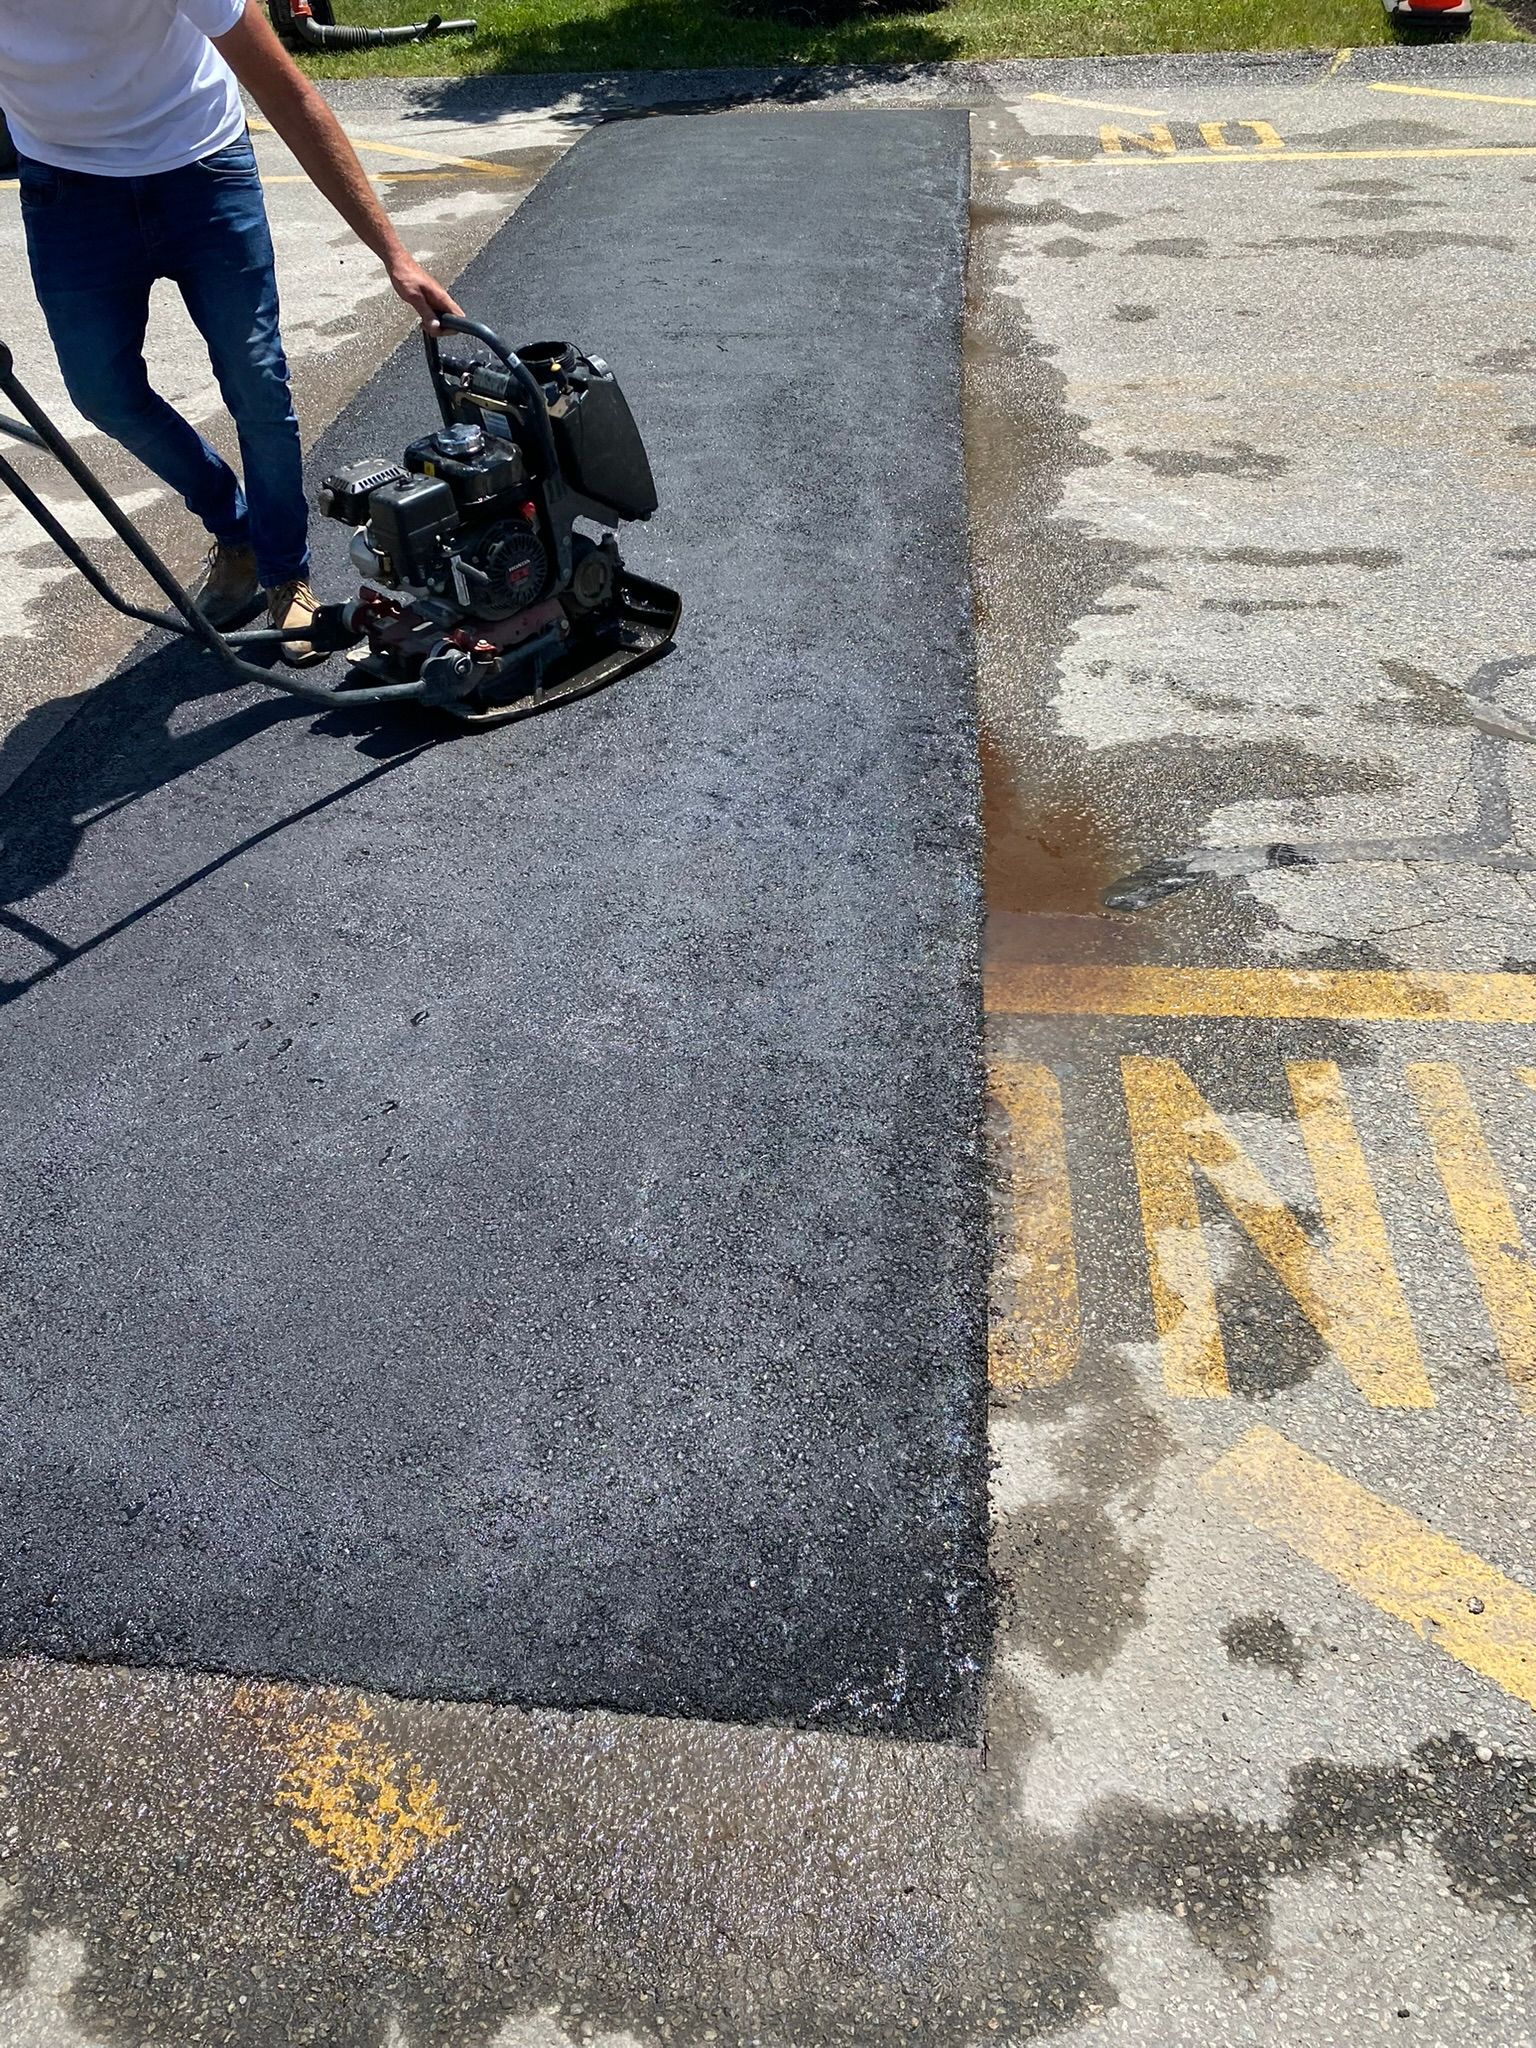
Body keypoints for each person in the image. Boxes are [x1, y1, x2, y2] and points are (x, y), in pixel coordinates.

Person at [0, 0, 462, 661]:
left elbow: (286, 92)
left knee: (256, 380)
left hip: (200, 168)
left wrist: (393, 253)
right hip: (68, 190)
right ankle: (234, 529)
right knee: (101, 393)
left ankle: (283, 572)